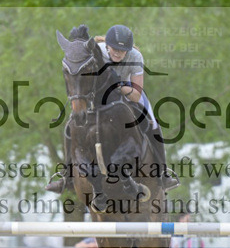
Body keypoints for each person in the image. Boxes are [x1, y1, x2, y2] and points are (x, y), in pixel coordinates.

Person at [47, 24, 179, 194]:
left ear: (128, 51)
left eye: (122, 51)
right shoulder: (97, 51)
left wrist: (118, 84)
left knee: (153, 122)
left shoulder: (135, 56)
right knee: (69, 127)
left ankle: (162, 173)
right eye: (115, 49)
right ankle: (66, 177)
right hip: (97, 94)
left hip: (126, 90)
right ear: (107, 45)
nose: (117, 53)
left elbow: (136, 95)